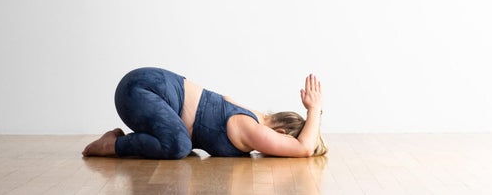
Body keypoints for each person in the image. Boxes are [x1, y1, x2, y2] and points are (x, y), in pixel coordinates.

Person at [81, 67, 327, 159]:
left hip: (148, 88)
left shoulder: (253, 116)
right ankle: (112, 145)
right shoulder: (252, 128)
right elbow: (303, 149)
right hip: (141, 90)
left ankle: (117, 139)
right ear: (281, 133)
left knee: (184, 147)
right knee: (178, 146)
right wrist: (315, 109)